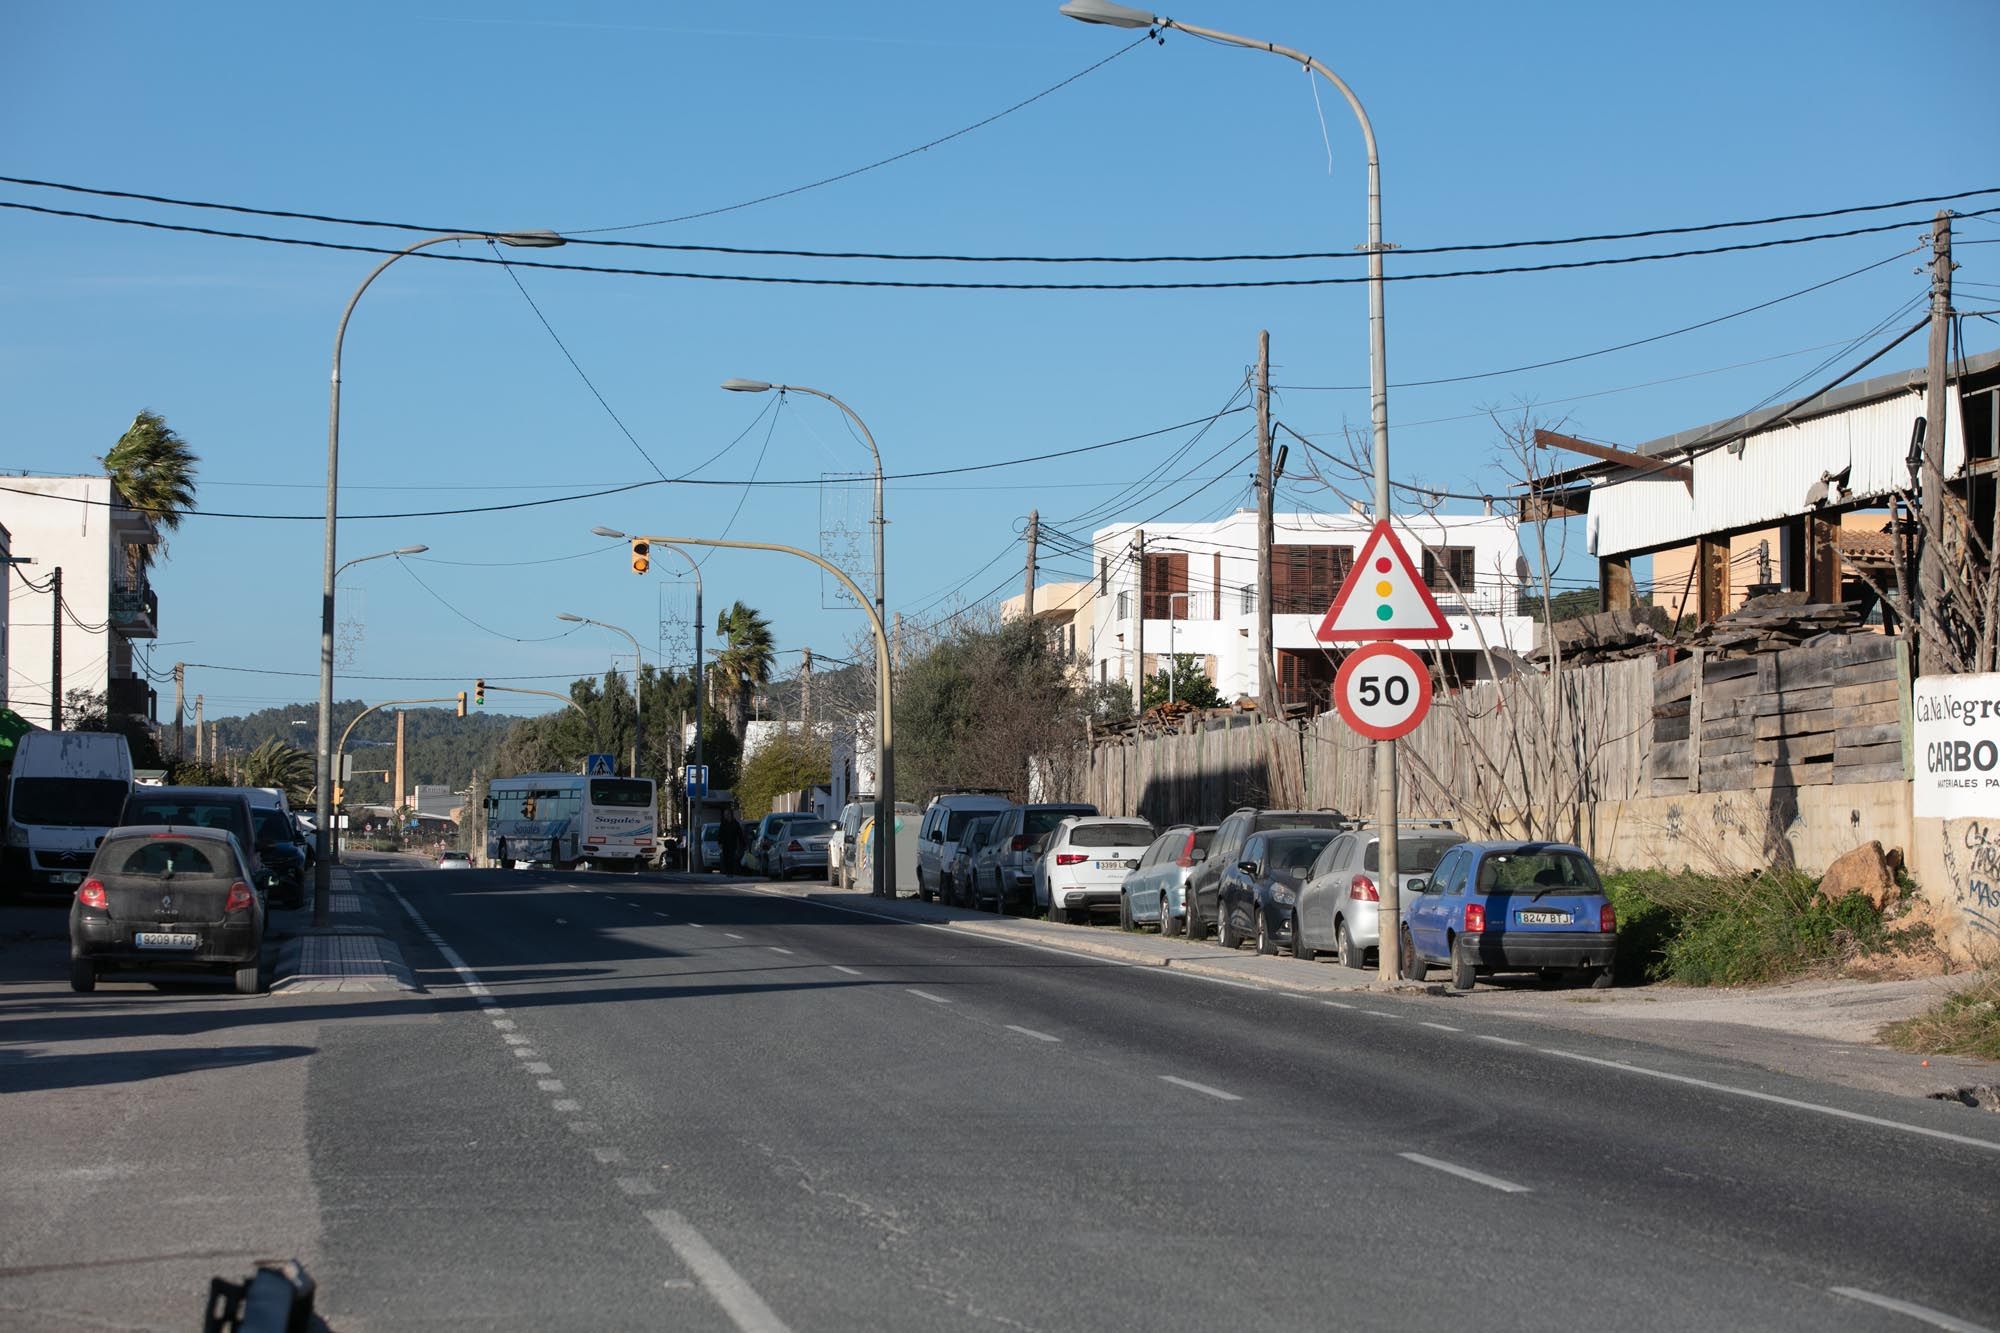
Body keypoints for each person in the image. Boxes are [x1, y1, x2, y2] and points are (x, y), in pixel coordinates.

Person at [717, 808, 744, 875]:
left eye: (727, 814)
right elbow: (720, 834)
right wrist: (719, 842)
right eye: (724, 814)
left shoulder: (735, 824)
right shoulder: (723, 823)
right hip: (725, 844)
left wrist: (743, 844)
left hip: (733, 844)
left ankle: (731, 872)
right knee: (726, 858)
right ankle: (727, 872)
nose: (725, 816)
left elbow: (740, 834)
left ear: (730, 815)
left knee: (731, 858)